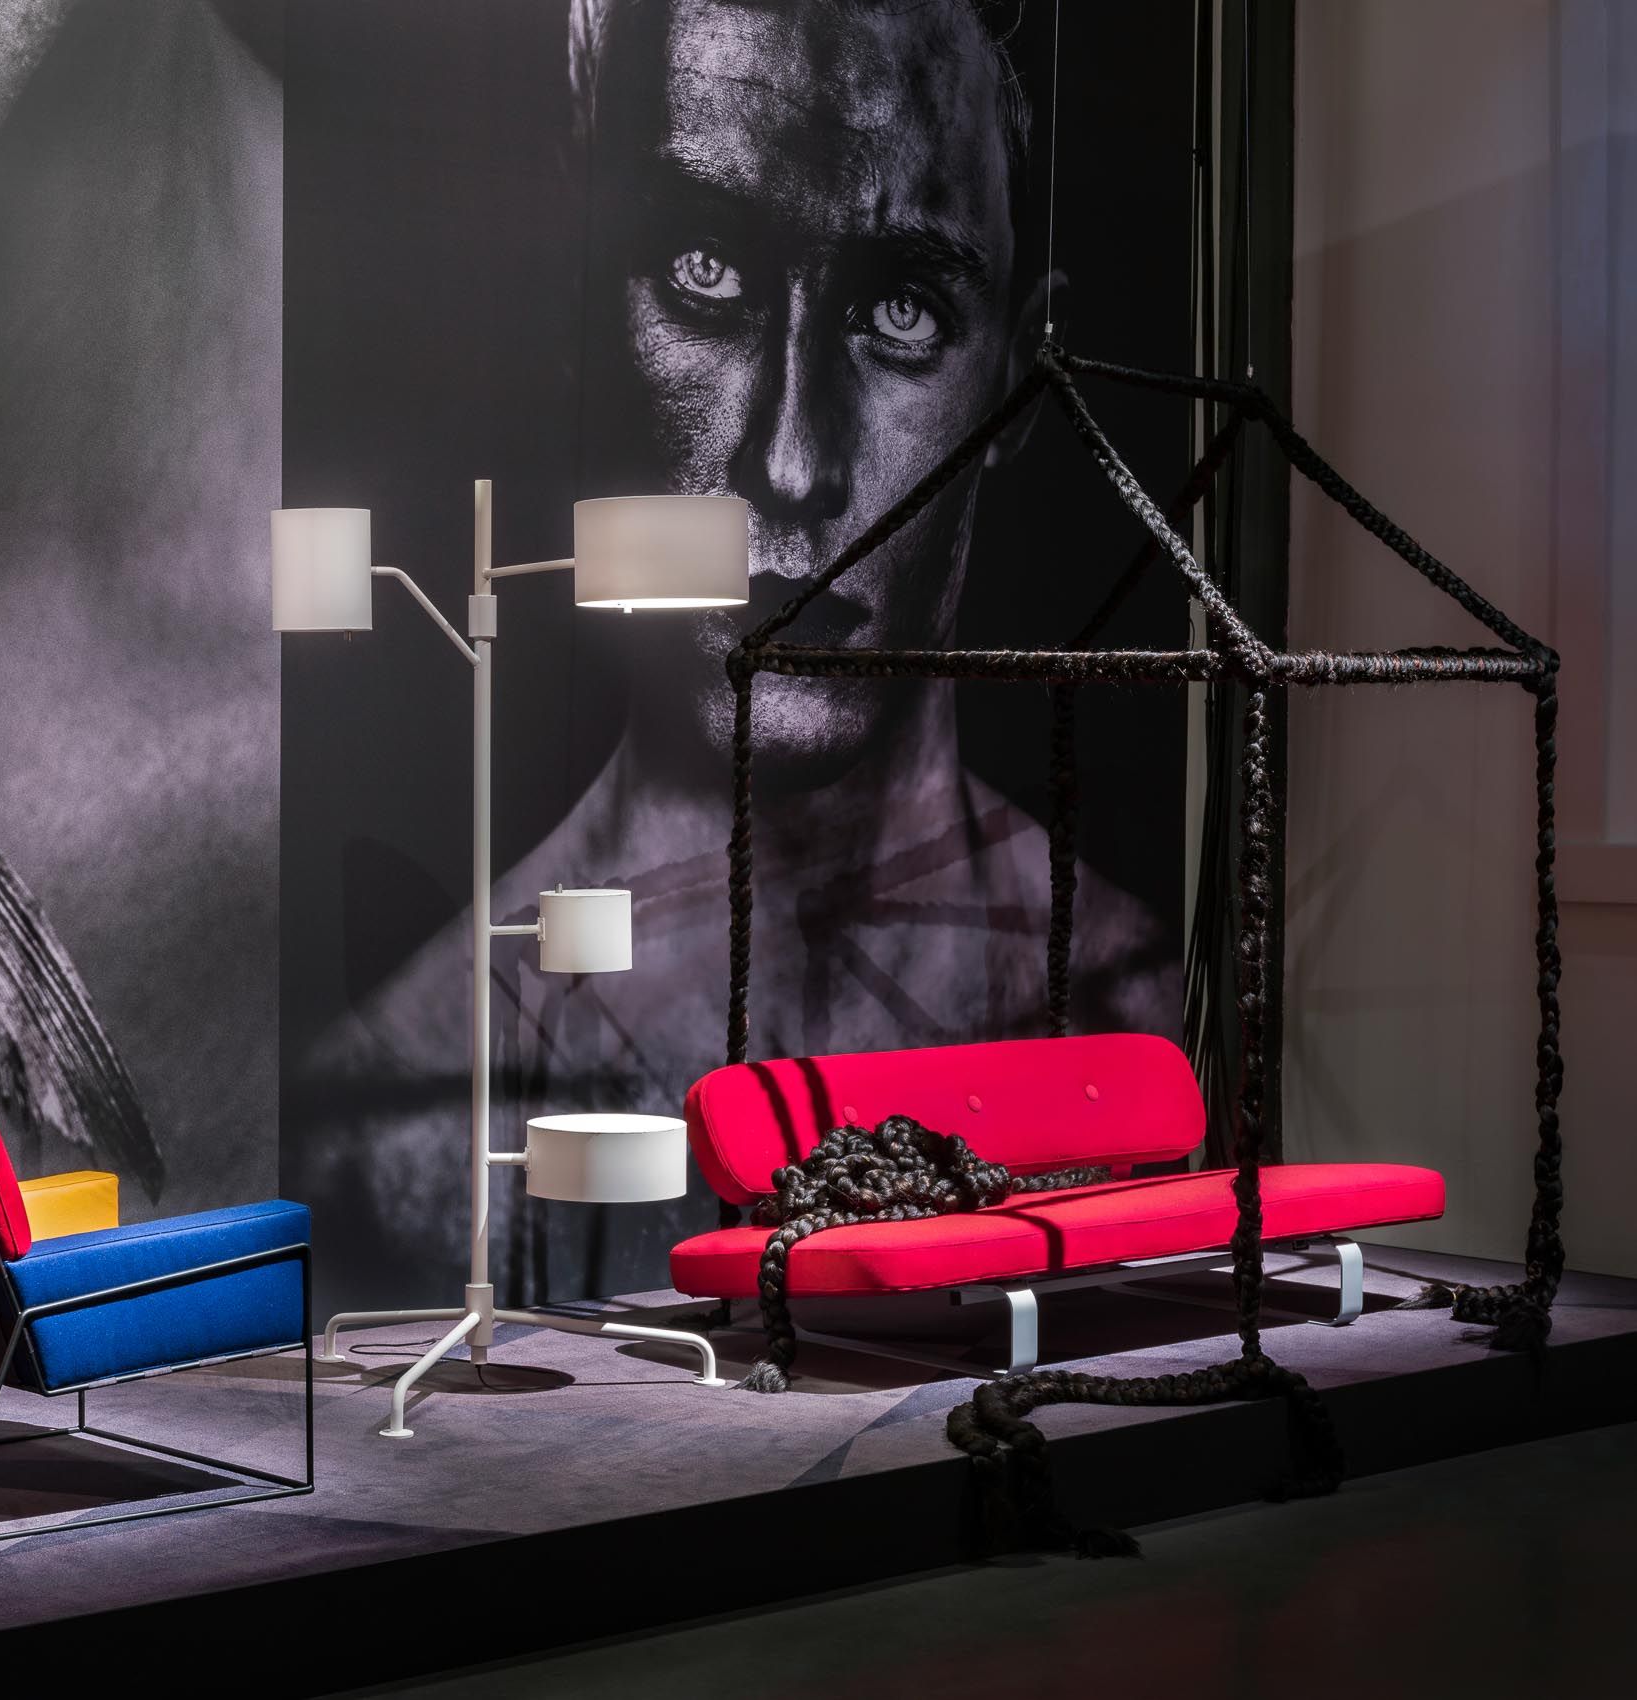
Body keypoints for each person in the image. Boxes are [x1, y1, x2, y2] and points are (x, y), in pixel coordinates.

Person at [305, 0, 1180, 1304]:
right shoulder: (392, 1127)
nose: (790, 460)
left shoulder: (1129, 997)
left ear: (1012, 378)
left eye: (902, 307)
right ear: (583, 311)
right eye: (705, 268)